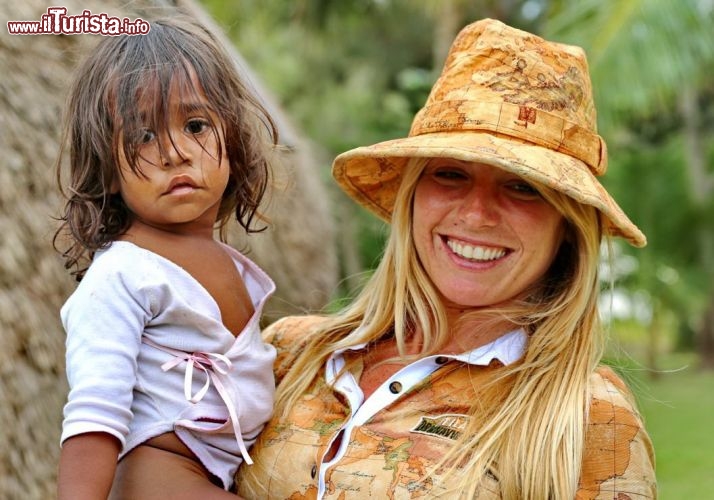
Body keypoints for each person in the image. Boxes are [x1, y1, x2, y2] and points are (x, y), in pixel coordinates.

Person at [235, 18, 656, 499]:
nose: (477, 214)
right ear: (412, 197)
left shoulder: (586, 418)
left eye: (521, 187)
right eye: (451, 175)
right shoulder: (290, 354)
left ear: (565, 227)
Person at [53, 17, 279, 499]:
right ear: (108, 171)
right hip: (160, 473)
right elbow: (95, 413)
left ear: (232, 142)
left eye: (195, 126)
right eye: (143, 137)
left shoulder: (229, 263)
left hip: (219, 471)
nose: (176, 152)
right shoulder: (122, 275)